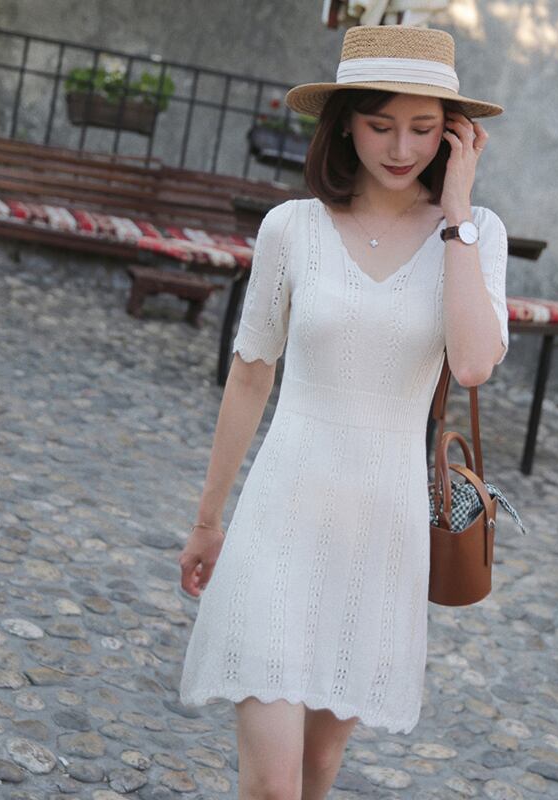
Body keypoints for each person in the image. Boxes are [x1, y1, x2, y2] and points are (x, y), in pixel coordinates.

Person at [177, 24, 510, 800]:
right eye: (380, 124)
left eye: (424, 128)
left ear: (455, 134)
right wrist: (208, 519)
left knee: (318, 770)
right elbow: (250, 377)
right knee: (273, 782)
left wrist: (457, 213)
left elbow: (471, 363)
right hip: (281, 518)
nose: (402, 148)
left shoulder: (474, 235)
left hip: (381, 535)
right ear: (344, 124)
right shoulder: (292, 228)